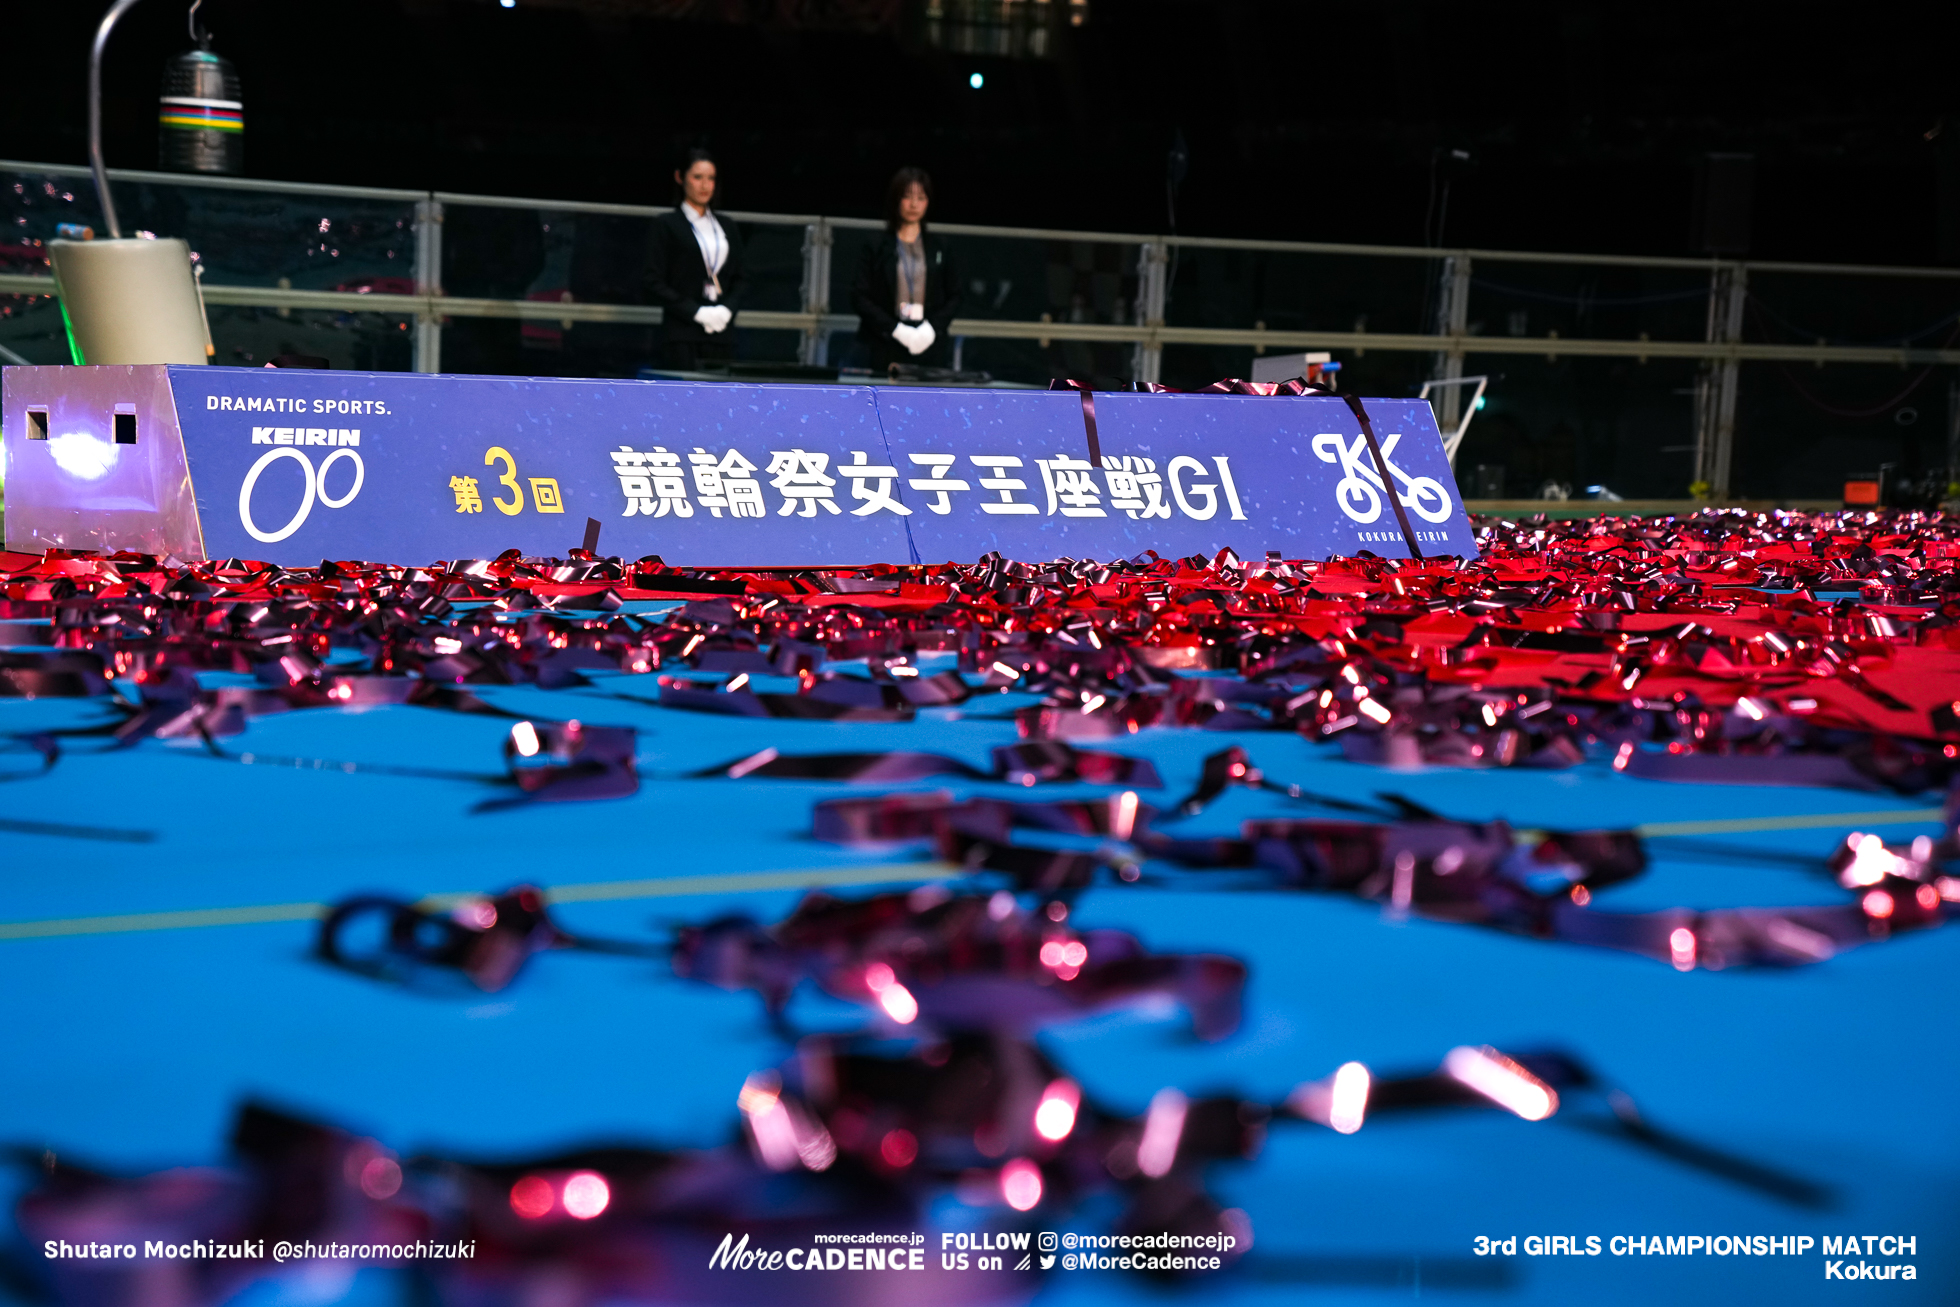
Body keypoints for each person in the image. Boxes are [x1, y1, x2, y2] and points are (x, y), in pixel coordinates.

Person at [644, 148, 746, 371]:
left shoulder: (727, 225)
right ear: (680, 178)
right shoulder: (666, 224)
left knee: (720, 401)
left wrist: (727, 309)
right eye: (697, 177)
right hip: (681, 333)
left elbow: (741, 278)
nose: (705, 185)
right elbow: (652, 280)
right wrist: (695, 311)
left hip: (722, 332)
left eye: (710, 178)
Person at [852, 167, 961, 372]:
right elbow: (859, 296)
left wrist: (931, 329)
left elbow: (955, 295)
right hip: (885, 341)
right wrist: (896, 330)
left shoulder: (940, 247)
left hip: (928, 343)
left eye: (921, 197)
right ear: (896, 199)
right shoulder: (876, 245)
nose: (914, 204)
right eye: (907, 197)